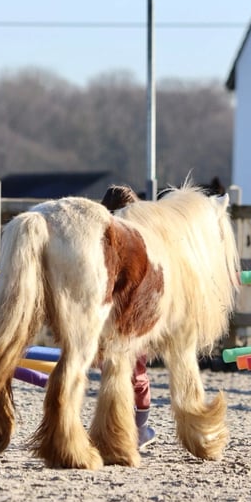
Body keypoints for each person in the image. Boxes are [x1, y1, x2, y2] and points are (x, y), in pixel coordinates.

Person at [100, 184, 156, 449]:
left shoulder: (98, 240)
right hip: (130, 316)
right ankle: (139, 429)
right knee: (138, 374)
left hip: (102, 317)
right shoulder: (139, 242)